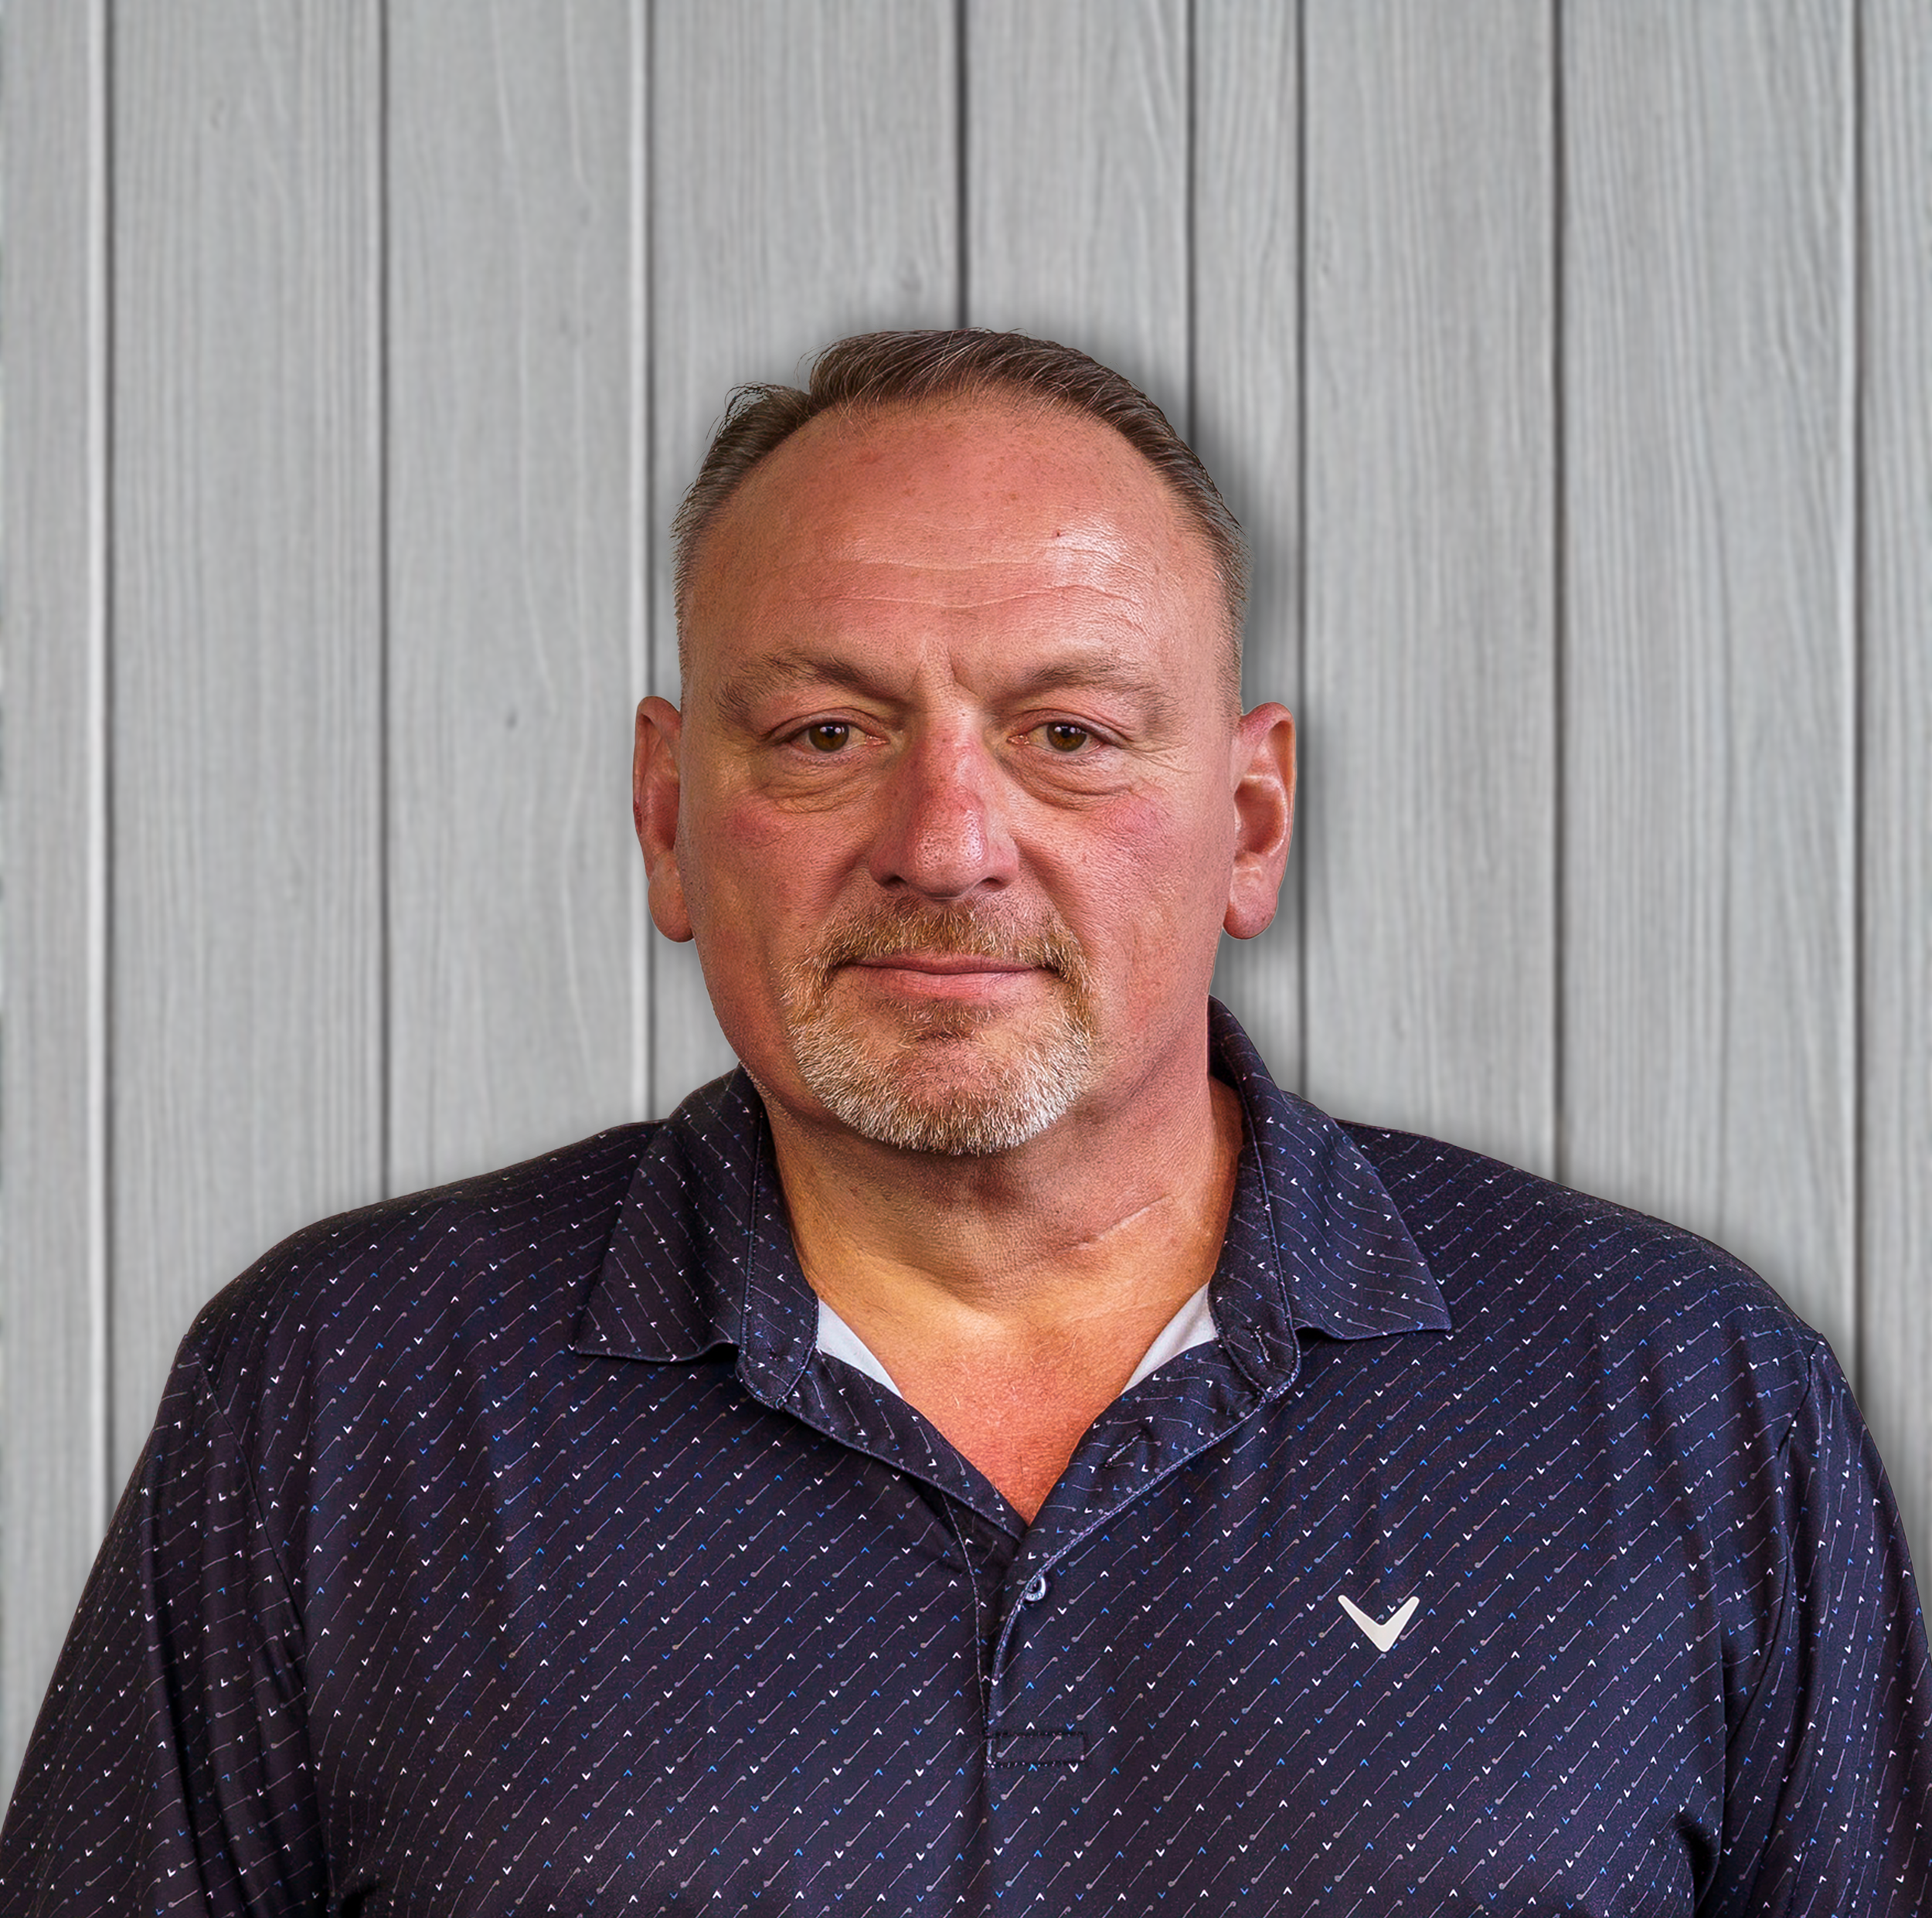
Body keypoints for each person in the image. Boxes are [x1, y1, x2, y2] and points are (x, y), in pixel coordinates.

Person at [2, 329, 1927, 1915]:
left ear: (1247, 821)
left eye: (1067, 733)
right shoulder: (344, 1393)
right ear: (670, 815)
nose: (943, 841)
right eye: (825, 732)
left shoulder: (1674, 1393)